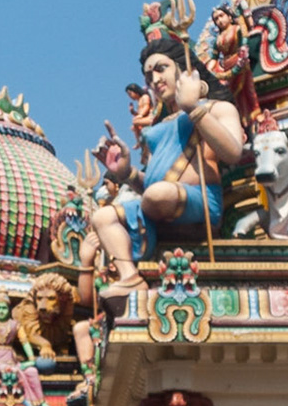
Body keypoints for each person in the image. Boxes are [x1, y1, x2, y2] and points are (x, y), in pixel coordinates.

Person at [85, 35, 246, 298]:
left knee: (159, 194)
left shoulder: (217, 108)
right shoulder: (158, 128)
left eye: (161, 68)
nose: (154, 80)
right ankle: (130, 278)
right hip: (159, 203)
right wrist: (125, 172)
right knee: (102, 217)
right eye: (148, 77)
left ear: (183, 68)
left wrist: (194, 108)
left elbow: (233, 152)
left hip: (200, 201)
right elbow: (149, 185)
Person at [0, 292, 46, 406]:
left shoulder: (15, 325)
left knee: (31, 371)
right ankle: (29, 401)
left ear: (8, 310)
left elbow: (24, 342)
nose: (1, 311)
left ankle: (40, 402)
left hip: (11, 360)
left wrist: (31, 359)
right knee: (11, 371)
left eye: (4, 308)